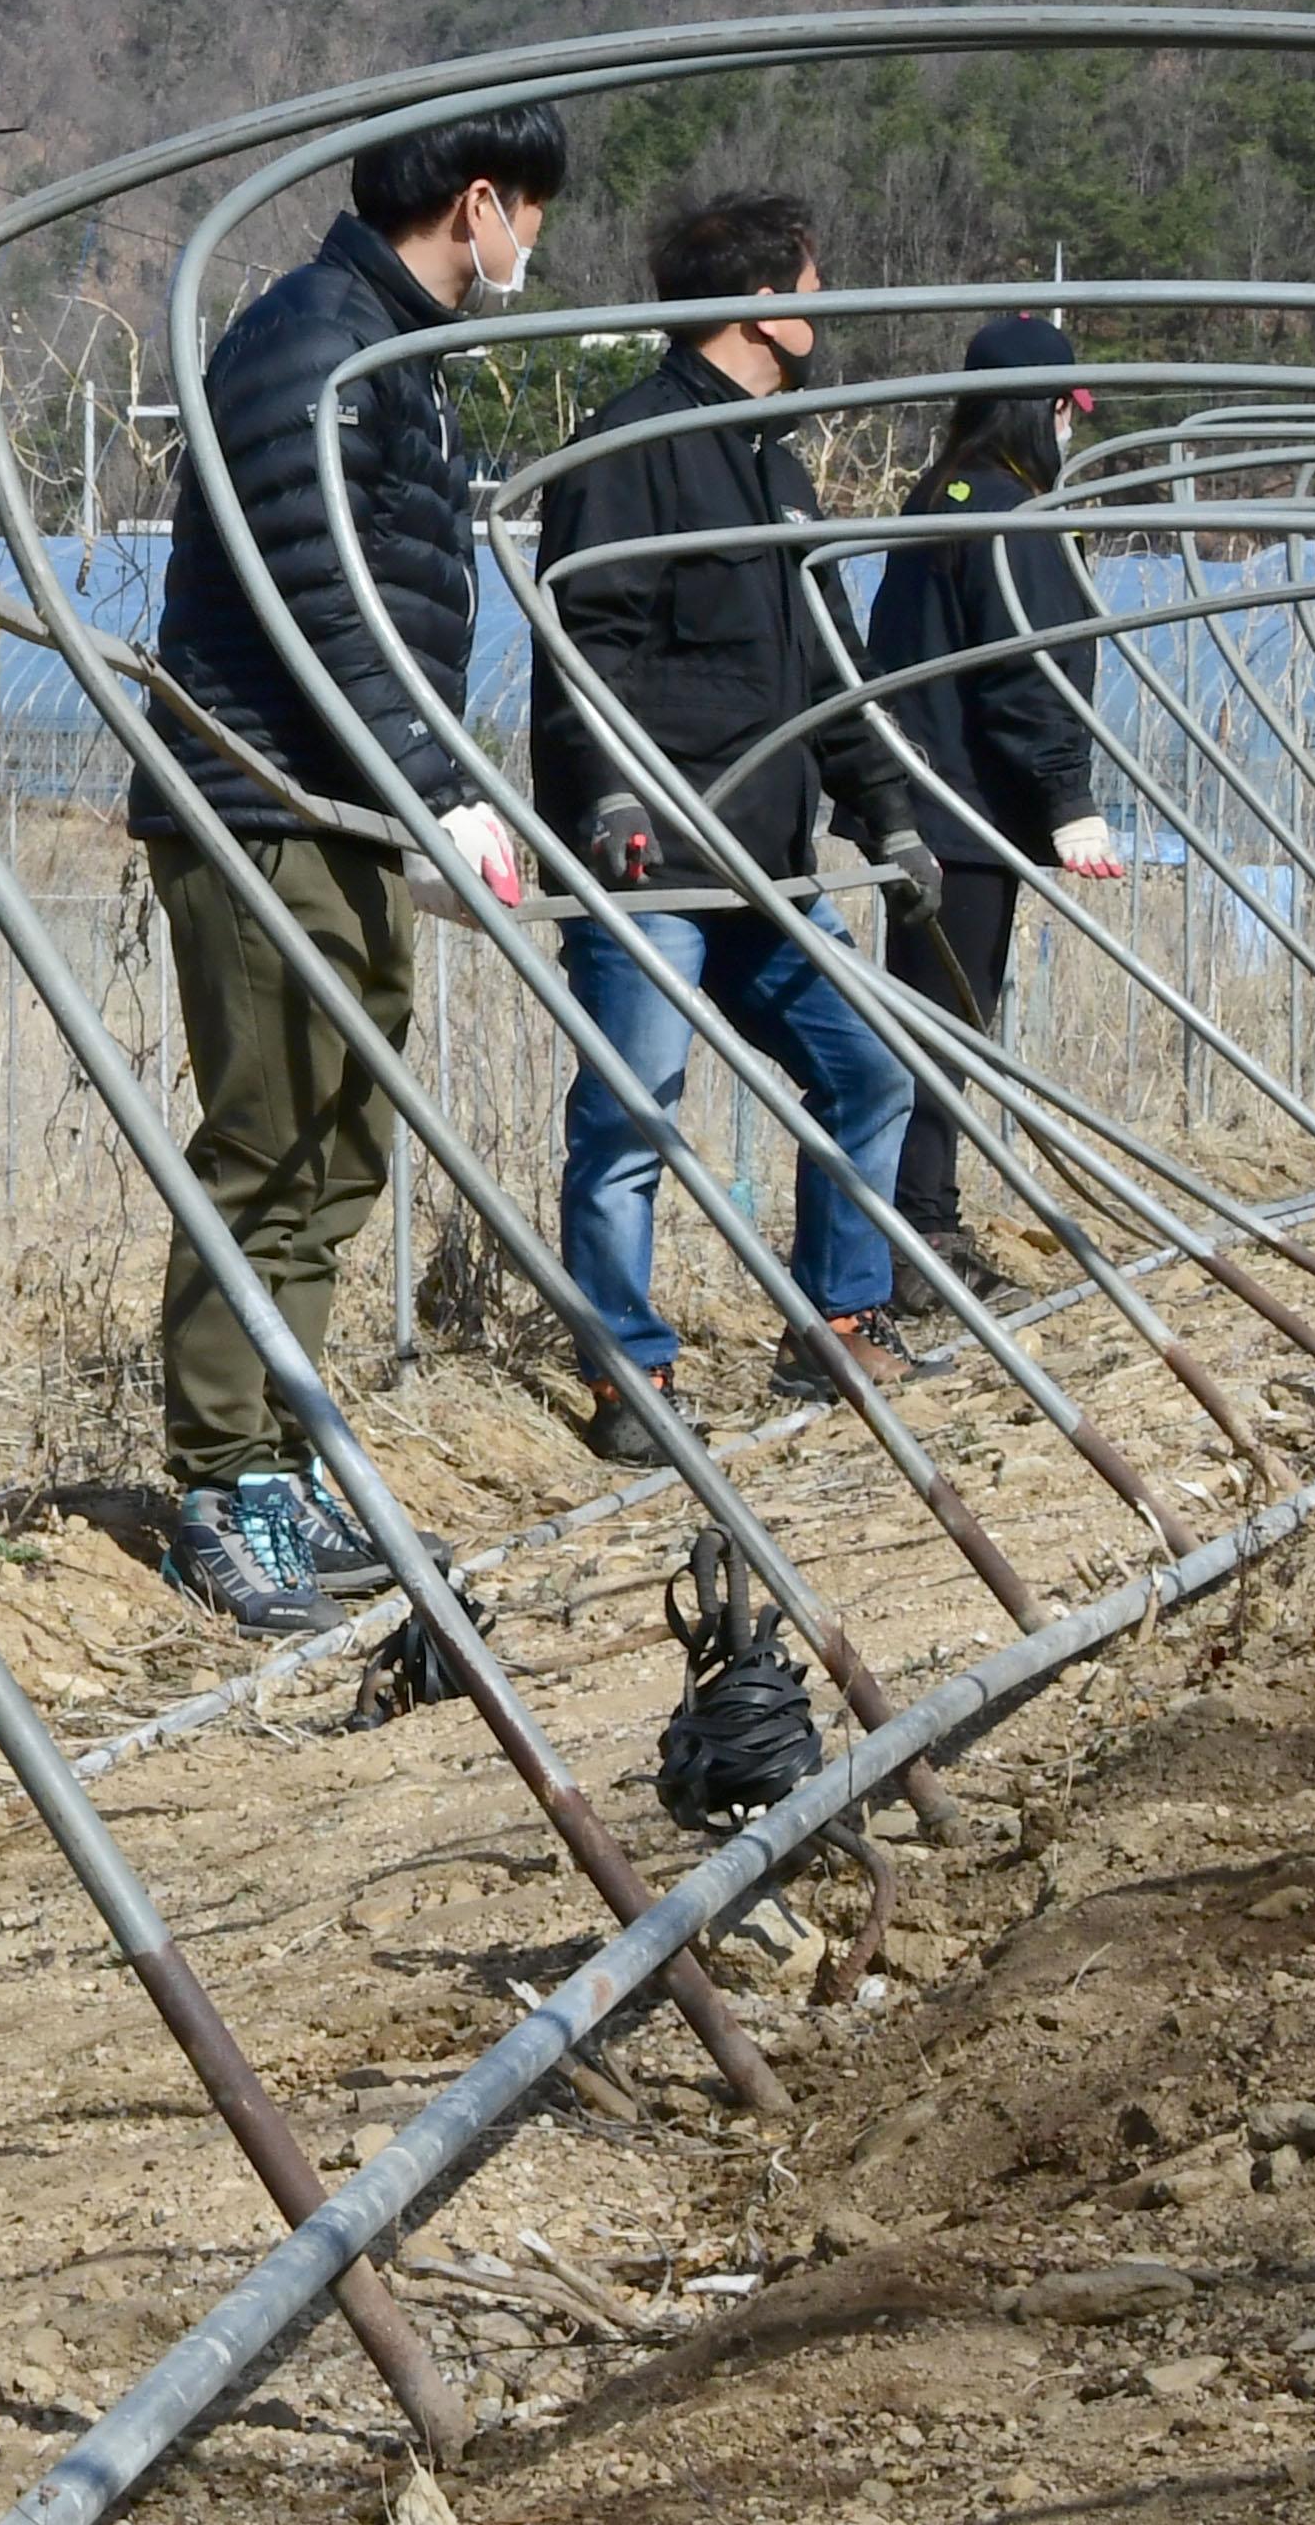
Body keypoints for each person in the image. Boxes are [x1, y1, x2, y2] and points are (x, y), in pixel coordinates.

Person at [129, 106, 558, 1633]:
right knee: (270, 1135)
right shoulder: (309, 344)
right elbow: (319, 595)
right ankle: (215, 1478)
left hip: (348, 808)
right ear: (481, 201)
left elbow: (400, 614)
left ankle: (280, 1462)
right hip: (258, 797)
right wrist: (434, 786)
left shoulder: (403, 367)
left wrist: (433, 799)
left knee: (342, 1146)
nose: (536, 248)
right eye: (533, 214)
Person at [529, 192, 945, 1446]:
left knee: (867, 1067)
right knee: (636, 1107)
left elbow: (832, 669)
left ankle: (837, 1322)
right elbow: (578, 639)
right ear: (764, 305)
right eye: (813, 283)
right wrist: (605, 794)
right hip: (655, 856)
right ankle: (628, 1372)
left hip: (766, 861)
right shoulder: (630, 448)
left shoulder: (779, 465)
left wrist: (888, 817)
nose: (825, 304)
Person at [851, 317, 1127, 1278]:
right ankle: (917, 1234)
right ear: (1040, 410)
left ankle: (913, 1226)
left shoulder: (935, 498)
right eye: (1066, 413)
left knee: (927, 1023)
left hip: (915, 798)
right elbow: (1028, 668)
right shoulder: (1011, 514)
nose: (1071, 433)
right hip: (965, 811)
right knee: (944, 1029)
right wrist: (1067, 796)